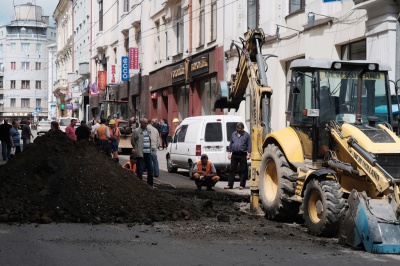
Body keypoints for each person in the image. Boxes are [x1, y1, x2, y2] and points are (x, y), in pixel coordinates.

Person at [225, 122, 251, 190]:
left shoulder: (246, 135)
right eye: (237, 128)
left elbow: (249, 145)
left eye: (240, 128)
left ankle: (242, 185)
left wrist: (248, 154)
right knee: (232, 170)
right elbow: (231, 143)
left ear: (242, 128)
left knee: (243, 170)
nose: (239, 130)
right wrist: (229, 152)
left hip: (243, 154)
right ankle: (230, 185)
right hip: (235, 154)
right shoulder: (234, 134)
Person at [131, 117, 154, 188]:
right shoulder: (136, 131)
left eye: (147, 123)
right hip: (140, 153)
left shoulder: (149, 130)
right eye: (144, 123)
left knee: (150, 169)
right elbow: (133, 141)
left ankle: (150, 184)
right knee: (140, 169)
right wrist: (136, 148)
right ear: (141, 123)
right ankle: (140, 185)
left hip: (148, 152)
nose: (146, 125)